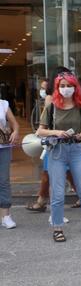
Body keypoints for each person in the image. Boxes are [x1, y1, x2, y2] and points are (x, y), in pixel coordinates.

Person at [25, 69, 81, 218]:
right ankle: (56, 221)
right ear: (57, 86)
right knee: (55, 186)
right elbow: (40, 131)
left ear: (75, 87)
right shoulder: (52, 105)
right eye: (62, 85)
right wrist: (56, 132)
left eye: (69, 85)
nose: (65, 89)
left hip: (75, 149)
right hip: (56, 149)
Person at [0, 94, 20, 229]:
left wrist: (16, 131)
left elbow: (14, 123)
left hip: (3, 147)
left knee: (4, 180)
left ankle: (5, 215)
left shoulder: (3, 104)